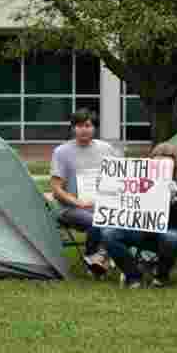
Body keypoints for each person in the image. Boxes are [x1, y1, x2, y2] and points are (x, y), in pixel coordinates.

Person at [100, 141, 177, 288]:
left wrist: (173, 200)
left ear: (175, 164)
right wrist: (108, 190)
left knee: (169, 237)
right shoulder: (140, 177)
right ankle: (133, 275)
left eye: (166, 166)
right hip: (145, 230)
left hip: (176, 229)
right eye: (157, 165)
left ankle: (161, 276)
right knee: (109, 233)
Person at [49, 109, 119, 276]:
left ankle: (99, 258)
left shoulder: (106, 149)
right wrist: (77, 202)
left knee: (119, 219)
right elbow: (56, 189)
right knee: (99, 221)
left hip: (101, 205)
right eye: (79, 125)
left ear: (94, 128)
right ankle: (93, 257)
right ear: (73, 128)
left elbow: (117, 178)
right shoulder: (62, 152)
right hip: (70, 209)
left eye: (87, 125)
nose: (83, 129)